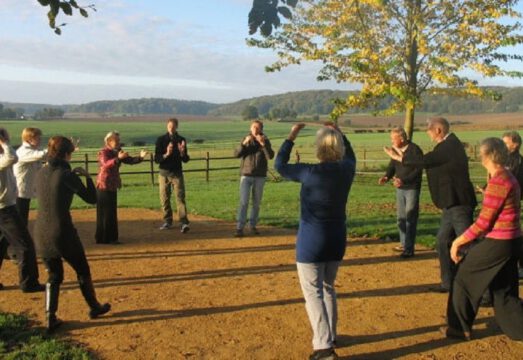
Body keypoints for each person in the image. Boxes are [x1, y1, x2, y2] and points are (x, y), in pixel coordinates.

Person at [275, 123, 356, 360]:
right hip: (337, 238)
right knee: (328, 288)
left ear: (319, 148)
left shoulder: (309, 172)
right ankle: (329, 334)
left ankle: (323, 347)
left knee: (313, 293)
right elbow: (350, 155)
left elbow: (279, 165)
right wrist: (341, 132)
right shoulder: (347, 169)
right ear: (339, 147)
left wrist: (291, 135)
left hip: (312, 240)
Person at [442, 137, 523, 341]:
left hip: (498, 243)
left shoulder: (498, 181)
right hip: (512, 241)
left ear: (486, 155)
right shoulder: (508, 176)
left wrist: (458, 242)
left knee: (462, 278)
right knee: (503, 293)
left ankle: (459, 329)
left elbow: (483, 223)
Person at [384, 117, 477, 293]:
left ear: (438, 130)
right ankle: (448, 283)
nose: (428, 134)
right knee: (442, 241)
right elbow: (429, 161)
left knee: (467, 245)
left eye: (429, 131)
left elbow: (426, 161)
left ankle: (485, 291)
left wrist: (399, 157)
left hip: (459, 203)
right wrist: (399, 158)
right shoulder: (447, 145)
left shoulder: (449, 146)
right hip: (450, 203)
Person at [34, 136, 111, 332]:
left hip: (40, 231)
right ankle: (94, 307)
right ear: (67, 154)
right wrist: (86, 176)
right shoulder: (66, 175)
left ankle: (50, 318)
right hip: (62, 231)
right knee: (82, 269)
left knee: (53, 275)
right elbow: (92, 199)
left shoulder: (41, 172)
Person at [0, 127, 44, 293]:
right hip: (5, 208)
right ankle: (28, 283)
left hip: (5, 206)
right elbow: (12, 157)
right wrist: (4, 142)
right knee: (25, 245)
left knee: (1, 244)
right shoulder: (5, 157)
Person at [378, 127, 423, 258]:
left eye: (393, 138)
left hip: (411, 188)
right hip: (400, 189)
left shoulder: (414, 150)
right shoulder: (396, 150)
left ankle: (409, 249)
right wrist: (386, 176)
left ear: (402, 138)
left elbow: (417, 170)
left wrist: (404, 180)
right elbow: (392, 165)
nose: (391, 141)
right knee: (401, 219)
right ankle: (403, 243)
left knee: (410, 218)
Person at [96, 131, 147, 244]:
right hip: (104, 185)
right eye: (117, 141)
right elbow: (105, 164)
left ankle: (109, 238)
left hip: (112, 184)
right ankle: (104, 238)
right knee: (105, 212)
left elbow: (129, 160)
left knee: (111, 212)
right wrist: (118, 159)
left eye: (119, 140)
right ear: (109, 141)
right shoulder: (104, 152)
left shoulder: (117, 152)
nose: (119, 143)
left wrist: (140, 157)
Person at [234, 120, 275, 237]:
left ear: (261, 129)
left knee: (256, 203)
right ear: (250, 128)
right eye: (253, 127)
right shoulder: (246, 139)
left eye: (258, 128)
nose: (255, 130)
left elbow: (270, 156)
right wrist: (244, 144)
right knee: (244, 202)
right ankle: (239, 227)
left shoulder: (265, 140)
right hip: (246, 175)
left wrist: (263, 145)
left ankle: (252, 225)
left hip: (260, 176)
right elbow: (236, 154)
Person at [154, 118, 190, 233]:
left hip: (177, 174)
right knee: (164, 198)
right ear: (167, 126)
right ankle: (167, 221)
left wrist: (182, 152)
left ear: (176, 127)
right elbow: (157, 159)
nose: (171, 128)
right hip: (164, 174)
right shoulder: (160, 140)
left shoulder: (181, 140)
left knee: (180, 198)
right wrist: (166, 154)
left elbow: (185, 160)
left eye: (173, 126)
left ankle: (184, 222)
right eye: (169, 126)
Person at [14, 127, 47, 228]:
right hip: (18, 193)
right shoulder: (24, 151)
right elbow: (42, 155)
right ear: (29, 139)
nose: (40, 140)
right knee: (19, 225)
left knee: (19, 224)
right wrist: (56, 147)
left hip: (25, 193)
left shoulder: (32, 151)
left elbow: (39, 166)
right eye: (38, 137)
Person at [501, 131, 523, 279]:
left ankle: (520, 266)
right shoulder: (504, 159)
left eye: (506, 142)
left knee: (515, 234)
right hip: (503, 200)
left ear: (515, 144)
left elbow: (512, 180)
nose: (503, 145)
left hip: (512, 202)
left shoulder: (518, 161)